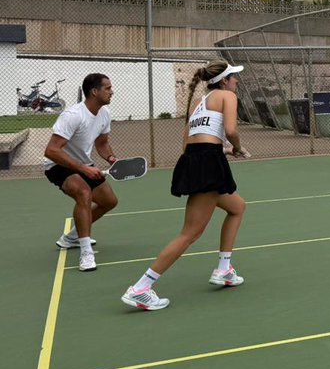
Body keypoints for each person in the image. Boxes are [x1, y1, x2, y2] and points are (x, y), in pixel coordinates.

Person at [121, 61, 250, 312]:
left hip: (194, 159)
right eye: (234, 77)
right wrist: (236, 147)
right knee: (190, 233)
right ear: (224, 81)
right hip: (208, 163)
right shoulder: (226, 96)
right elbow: (232, 130)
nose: (236, 81)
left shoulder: (197, 103)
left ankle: (224, 270)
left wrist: (222, 150)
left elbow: (190, 143)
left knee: (237, 207)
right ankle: (141, 288)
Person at [43, 73, 120, 273]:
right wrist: (83, 168)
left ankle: (71, 237)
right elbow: (51, 150)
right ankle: (86, 252)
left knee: (109, 201)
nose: (112, 91)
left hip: (82, 163)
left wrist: (111, 159)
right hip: (57, 164)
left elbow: (102, 144)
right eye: (108, 88)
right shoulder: (73, 115)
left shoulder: (104, 114)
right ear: (94, 92)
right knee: (83, 192)